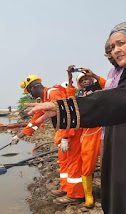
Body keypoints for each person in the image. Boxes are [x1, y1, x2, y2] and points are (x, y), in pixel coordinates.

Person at [25, 22, 126, 214]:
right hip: (125, 155)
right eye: (112, 47)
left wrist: (62, 108)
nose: (115, 50)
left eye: (121, 43)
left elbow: (123, 99)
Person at [11, 75, 85, 205]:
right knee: (64, 161)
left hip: (72, 132)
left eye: (29, 91)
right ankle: (66, 188)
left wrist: (66, 137)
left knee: (73, 162)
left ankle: (75, 195)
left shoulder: (53, 93)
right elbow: (35, 121)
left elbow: (67, 113)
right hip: (64, 133)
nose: (30, 95)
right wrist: (19, 136)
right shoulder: (44, 99)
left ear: (35, 86)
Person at [66, 66, 106, 208]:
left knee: (107, 163)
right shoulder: (80, 97)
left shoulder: (102, 90)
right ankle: (89, 196)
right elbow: (69, 98)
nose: (85, 81)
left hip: (106, 130)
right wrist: (70, 77)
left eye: (86, 78)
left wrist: (94, 74)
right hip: (88, 133)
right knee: (87, 164)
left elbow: (108, 84)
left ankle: (108, 192)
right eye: (81, 80)